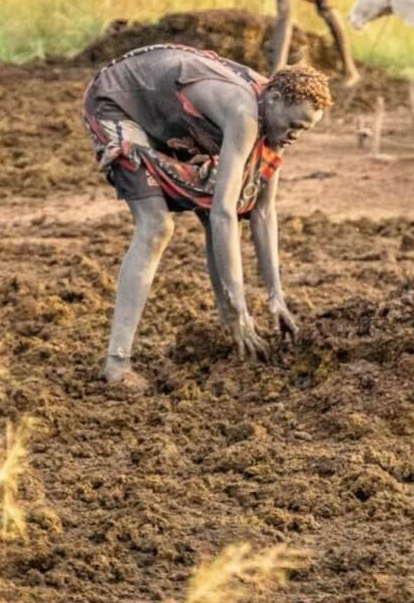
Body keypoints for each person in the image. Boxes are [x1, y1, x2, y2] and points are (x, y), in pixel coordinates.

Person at [83, 44, 332, 391]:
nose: (295, 135)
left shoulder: (274, 122)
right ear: (273, 100)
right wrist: (240, 307)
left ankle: (231, 330)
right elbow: (223, 215)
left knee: (223, 201)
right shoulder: (245, 113)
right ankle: (117, 363)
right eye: (293, 125)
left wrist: (276, 296)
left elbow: (262, 211)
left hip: (170, 117)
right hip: (121, 102)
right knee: (157, 226)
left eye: (304, 130)